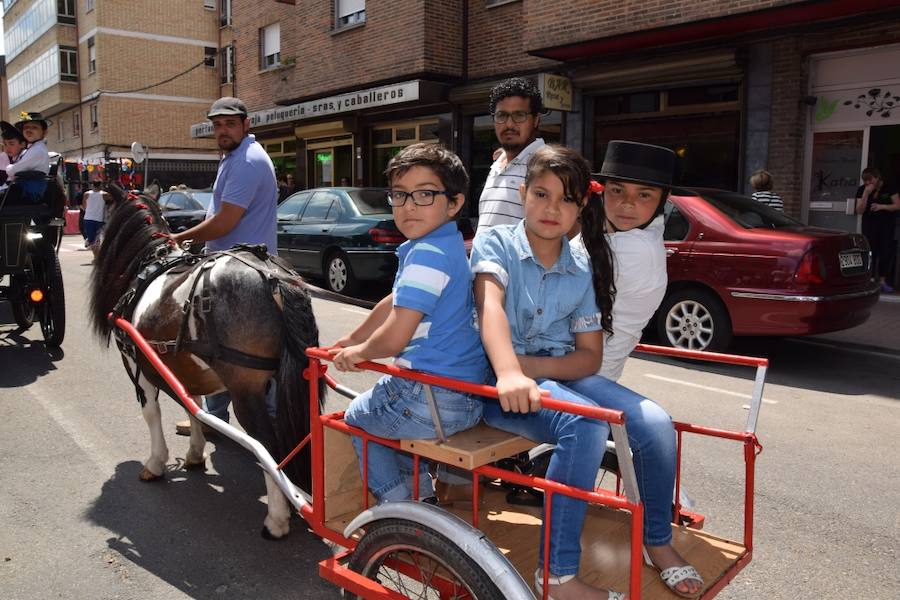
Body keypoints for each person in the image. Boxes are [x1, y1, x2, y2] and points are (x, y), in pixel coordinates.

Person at [472, 144, 702, 600]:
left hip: (552, 371)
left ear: (580, 206)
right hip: (491, 376)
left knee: (654, 422)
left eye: (566, 200)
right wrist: (510, 371)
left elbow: (589, 357)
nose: (551, 209)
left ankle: (656, 539)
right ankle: (556, 576)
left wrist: (531, 369)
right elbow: (490, 307)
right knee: (585, 424)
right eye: (541, 194)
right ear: (523, 194)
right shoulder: (496, 242)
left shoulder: (580, 265)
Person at [331, 143, 487, 504]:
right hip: (465, 395)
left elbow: (396, 337)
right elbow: (394, 302)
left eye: (425, 194)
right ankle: (421, 499)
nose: (409, 206)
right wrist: (351, 337)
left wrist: (357, 353)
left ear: (455, 203)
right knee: (392, 425)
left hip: (427, 395)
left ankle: (397, 505)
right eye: (399, 195)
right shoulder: (447, 244)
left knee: (356, 418)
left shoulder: (426, 255)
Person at [172, 96, 279, 435]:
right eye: (217, 125)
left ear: (247, 125)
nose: (222, 130)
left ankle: (273, 425)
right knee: (212, 343)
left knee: (229, 347)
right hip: (231, 263)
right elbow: (218, 214)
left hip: (238, 269)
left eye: (230, 123)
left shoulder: (246, 161)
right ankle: (214, 418)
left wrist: (179, 240)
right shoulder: (233, 157)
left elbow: (225, 222)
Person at [572, 140, 673, 382]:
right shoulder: (629, 234)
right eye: (617, 190)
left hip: (584, 379)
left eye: (644, 194)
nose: (628, 203)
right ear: (602, 190)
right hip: (583, 372)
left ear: (663, 199)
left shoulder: (636, 249)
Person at [475, 77, 546, 237]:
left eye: (519, 115)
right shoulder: (498, 164)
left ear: (536, 120)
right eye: (502, 115)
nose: (509, 124)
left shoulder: (545, 165)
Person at [855, 167, 900, 293]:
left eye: (870, 180)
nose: (867, 183)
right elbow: (859, 210)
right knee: (870, 252)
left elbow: (898, 205)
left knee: (885, 253)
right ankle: (868, 280)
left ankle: (882, 281)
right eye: (865, 181)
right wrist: (865, 194)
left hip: (886, 226)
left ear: (877, 177)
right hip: (869, 226)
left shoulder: (889, 187)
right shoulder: (862, 190)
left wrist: (882, 206)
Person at [4, 112, 51, 205]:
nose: (29, 130)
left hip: (27, 193)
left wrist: (9, 167)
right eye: (26, 128)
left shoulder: (38, 150)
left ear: (44, 132)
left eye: (34, 127)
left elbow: (12, 171)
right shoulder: (33, 148)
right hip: (24, 191)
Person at [82, 180, 111, 260]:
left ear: (92, 185)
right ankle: (97, 258)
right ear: (101, 185)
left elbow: (84, 206)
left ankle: (96, 257)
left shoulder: (86, 194)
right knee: (98, 239)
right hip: (99, 219)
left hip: (88, 218)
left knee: (92, 240)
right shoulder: (104, 194)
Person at [0, 120, 27, 192]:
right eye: (5, 144)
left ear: (23, 144)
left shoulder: (27, 157)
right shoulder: (4, 156)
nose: (7, 148)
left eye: (11, 144)